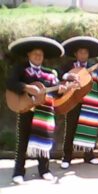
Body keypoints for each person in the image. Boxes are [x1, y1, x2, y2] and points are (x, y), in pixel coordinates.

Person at [6, 36, 69, 184]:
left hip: (45, 114)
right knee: (23, 141)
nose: (38, 56)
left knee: (45, 142)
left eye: (40, 54)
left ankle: (44, 170)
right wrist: (27, 87)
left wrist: (63, 89)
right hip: (26, 109)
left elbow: (55, 92)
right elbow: (10, 83)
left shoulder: (50, 73)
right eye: (35, 54)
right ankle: (18, 172)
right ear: (28, 55)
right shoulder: (21, 69)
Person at [58, 36, 98, 169]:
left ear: (88, 55)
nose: (83, 55)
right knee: (71, 129)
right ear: (76, 54)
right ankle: (67, 157)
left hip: (89, 103)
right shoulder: (69, 65)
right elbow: (57, 73)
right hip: (73, 100)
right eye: (80, 52)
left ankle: (89, 156)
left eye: (85, 52)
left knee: (88, 128)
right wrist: (68, 76)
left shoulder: (93, 65)